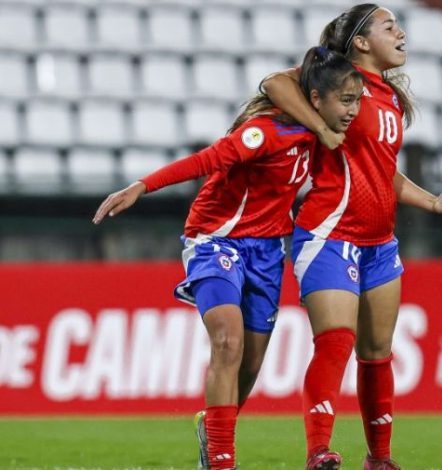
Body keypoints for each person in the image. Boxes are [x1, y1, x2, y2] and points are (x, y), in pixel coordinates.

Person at [92, 47, 364, 470]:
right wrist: (142, 186)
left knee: (250, 364)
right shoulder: (265, 132)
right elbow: (207, 159)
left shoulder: (321, 135)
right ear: (316, 99)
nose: (353, 111)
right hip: (216, 241)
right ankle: (221, 462)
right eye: (346, 101)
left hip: (269, 252)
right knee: (227, 342)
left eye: (357, 101)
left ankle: (212, 429)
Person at [261, 4, 442, 469]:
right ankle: (318, 452)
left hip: (380, 242)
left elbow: (381, 170)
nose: (402, 33)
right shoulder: (338, 78)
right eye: (389, 26)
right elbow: (274, 83)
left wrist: (429, 200)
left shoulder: (387, 97)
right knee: (335, 341)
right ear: (361, 42)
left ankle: (381, 459)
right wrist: (319, 128)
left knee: (377, 354)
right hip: (330, 232)